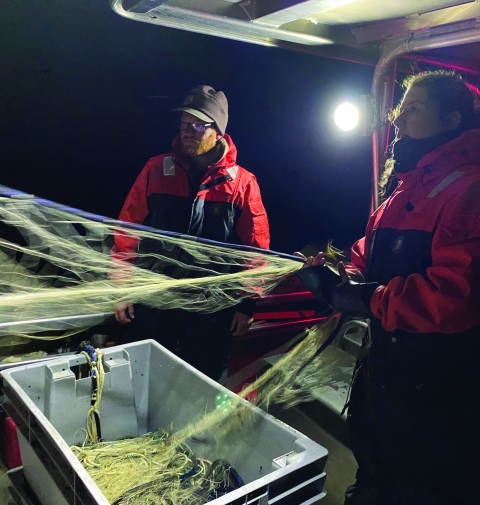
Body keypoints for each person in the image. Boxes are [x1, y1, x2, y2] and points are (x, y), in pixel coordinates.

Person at [297, 71, 480, 505]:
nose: (397, 123)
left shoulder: (469, 191)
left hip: (439, 394)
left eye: (413, 111)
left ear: (452, 119)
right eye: (399, 112)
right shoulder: (403, 190)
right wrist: (338, 272)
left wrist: (366, 298)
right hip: (387, 381)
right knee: (375, 473)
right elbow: (367, 254)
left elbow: (452, 297)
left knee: (425, 488)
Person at [113, 85, 270, 381]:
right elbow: (127, 233)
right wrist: (121, 290)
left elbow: (256, 249)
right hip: (154, 304)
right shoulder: (156, 168)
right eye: (185, 124)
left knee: (200, 385)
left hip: (210, 313)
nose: (189, 131)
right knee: (138, 378)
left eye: (199, 125)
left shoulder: (242, 183)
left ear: (218, 131)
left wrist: (247, 304)